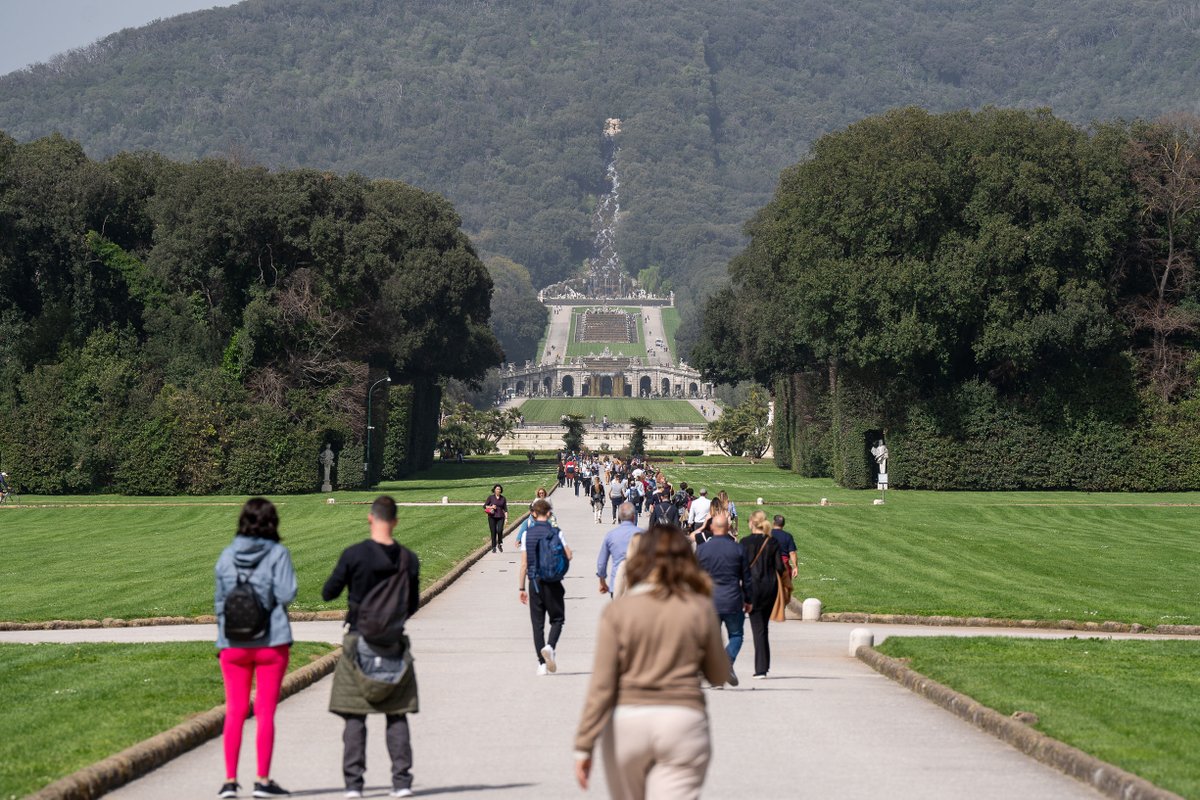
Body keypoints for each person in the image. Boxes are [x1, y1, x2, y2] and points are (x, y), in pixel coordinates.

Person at [573, 524, 731, 799]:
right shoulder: (699, 607)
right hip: (682, 720)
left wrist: (584, 745)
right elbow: (718, 674)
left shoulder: (618, 611)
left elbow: (602, 685)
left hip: (628, 722)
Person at [322, 496, 421, 798]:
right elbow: (412, 604)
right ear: (395, 521)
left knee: (355, 715)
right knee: (396, 713)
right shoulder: (408, 558)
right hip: (392, 640)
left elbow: (329, 593)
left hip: (358, 638)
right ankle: (401, 781)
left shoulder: (355, 555)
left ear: (370, 518)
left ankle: (354, 783)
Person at [214, 498, 298, 799]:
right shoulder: (277, 553)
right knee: (265, 712)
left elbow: (220, 601)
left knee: (234, 711)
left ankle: (229, 781)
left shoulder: (226, 556)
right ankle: (262, 780)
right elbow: (287, 592)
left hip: (234, 643)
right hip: (271, 641)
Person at [695, 512, 750, 686]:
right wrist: (748, 599)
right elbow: (747, 577)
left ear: (712, 527)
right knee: (736, 635)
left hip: (709, 600)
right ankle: (727, 661)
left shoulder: (702, 549)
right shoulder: (737, 548)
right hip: (732, 598)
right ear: (728, 529)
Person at [519, 499, 573, 675]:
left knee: (537, 624)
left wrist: (521, 588)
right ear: (549, 514)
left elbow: (524, 563)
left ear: (534, 513)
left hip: (535, 582)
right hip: (554, 582)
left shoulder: (528, 534)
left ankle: (541, 664)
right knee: (557, 619)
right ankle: (550, 646)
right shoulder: (556, 531)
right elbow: (569, 555)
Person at [741, 511, 784, 679]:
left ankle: (761, 668)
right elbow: (780, 567)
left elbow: (741, 567)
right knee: (763, 628)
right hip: (770, 588)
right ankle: (763, 666)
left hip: (753, 588)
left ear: (752, 522)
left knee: (758, 629)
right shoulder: (772, 541)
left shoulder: (745, 542)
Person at [597, 503, 641, 597]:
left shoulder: (611, 535)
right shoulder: (643, 534)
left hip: (617, 583)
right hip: (639, 585)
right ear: (634, 517)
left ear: (619, 517)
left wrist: (602, 580)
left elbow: (602, 562)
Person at [771, 515, 799, 579]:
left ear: (773, 522)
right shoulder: (788, 536)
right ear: (783, 524)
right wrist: (795, 567)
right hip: (783, 565)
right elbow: (792, 553)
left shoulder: (766, 534)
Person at [483, 484, 508, 554]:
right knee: (493, 532)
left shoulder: (503, 498)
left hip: (500, 517)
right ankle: (493, 547)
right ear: (494, 490)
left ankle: (499, 543)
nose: (498, 490)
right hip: (492, 517)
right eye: (497, 489)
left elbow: (505, 509)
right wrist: (491, 507)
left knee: (499, 530)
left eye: (499, 489)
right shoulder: (491, 497)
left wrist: (506, 518)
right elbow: (484, 506)